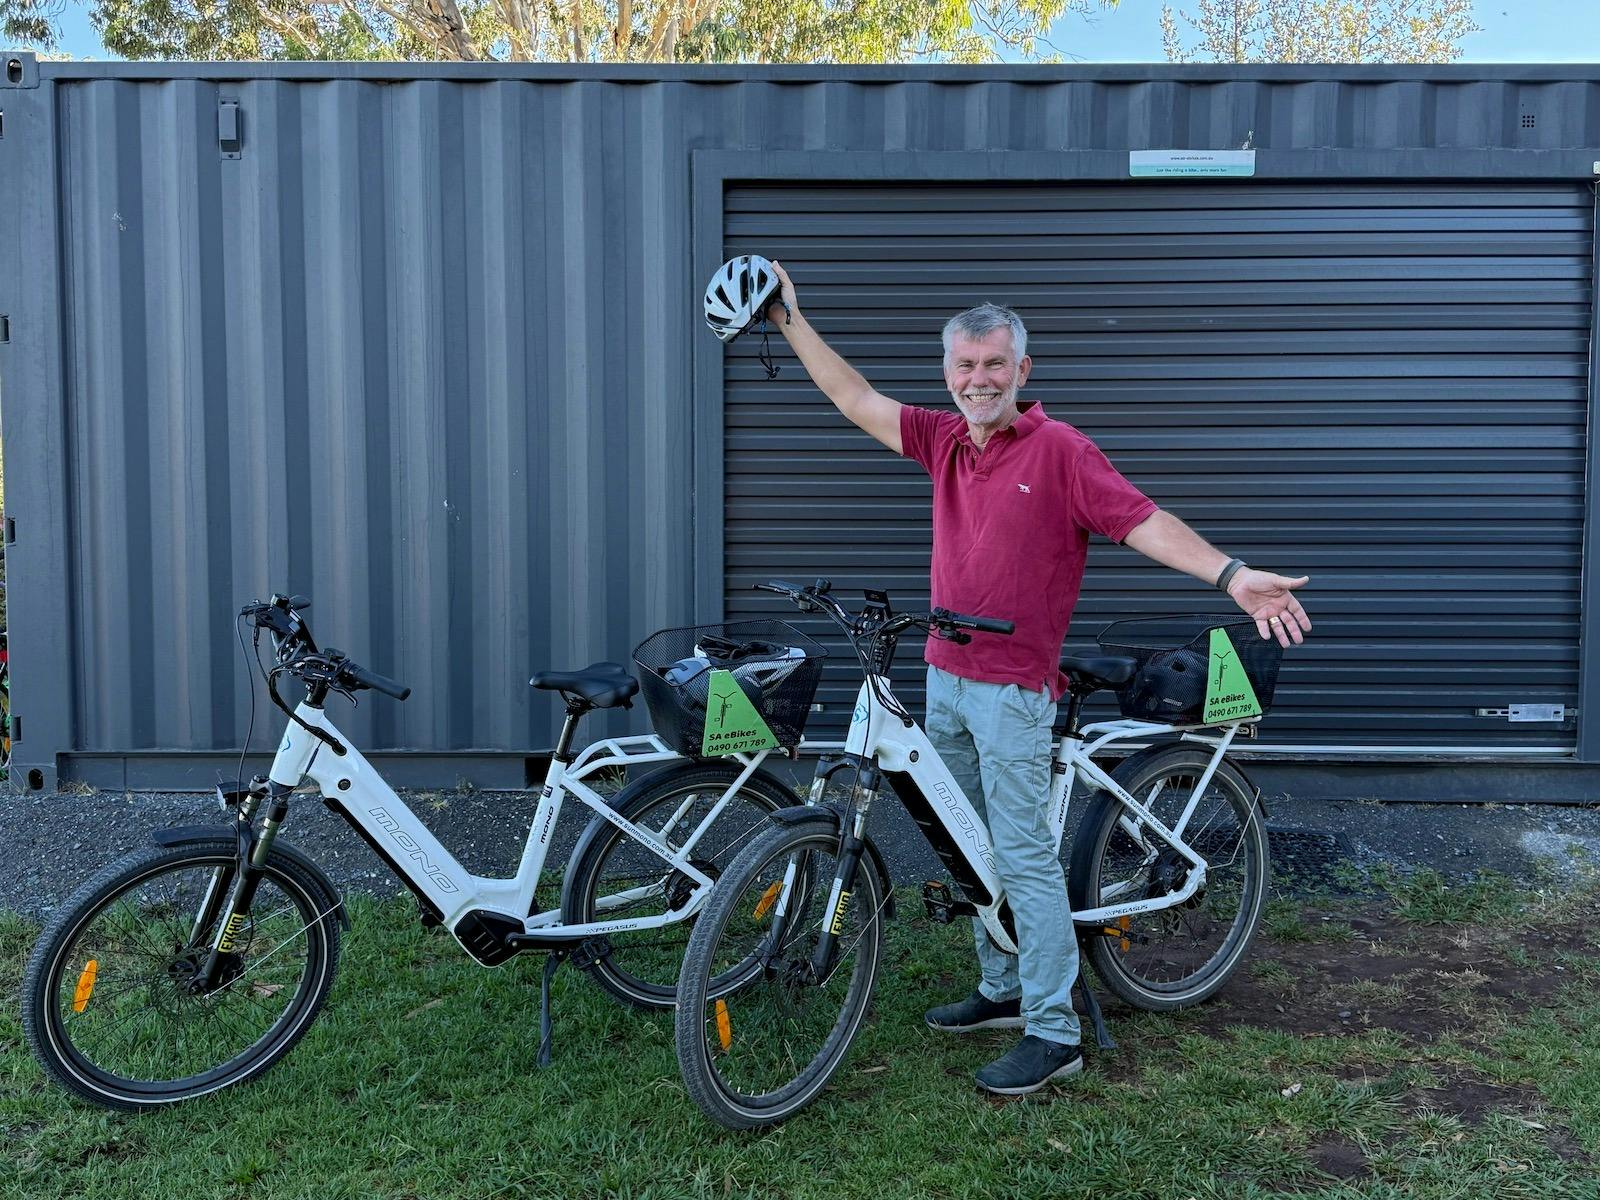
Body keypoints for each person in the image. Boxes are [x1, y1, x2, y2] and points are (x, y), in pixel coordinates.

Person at [758, 261, 1312, 1096]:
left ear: (1022, 370)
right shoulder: (943, 439)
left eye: (993, 365)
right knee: (964, 845)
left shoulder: (1060, 451)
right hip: (944, 676)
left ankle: (1056, 1030)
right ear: (949, 373)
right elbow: (855, 399)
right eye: (963, 366)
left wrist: (1231, 575)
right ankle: (1002, 988)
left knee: (1021, 858)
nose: (977, 380)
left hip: (1014, 689)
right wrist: (790, 319)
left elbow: (1143, 521)